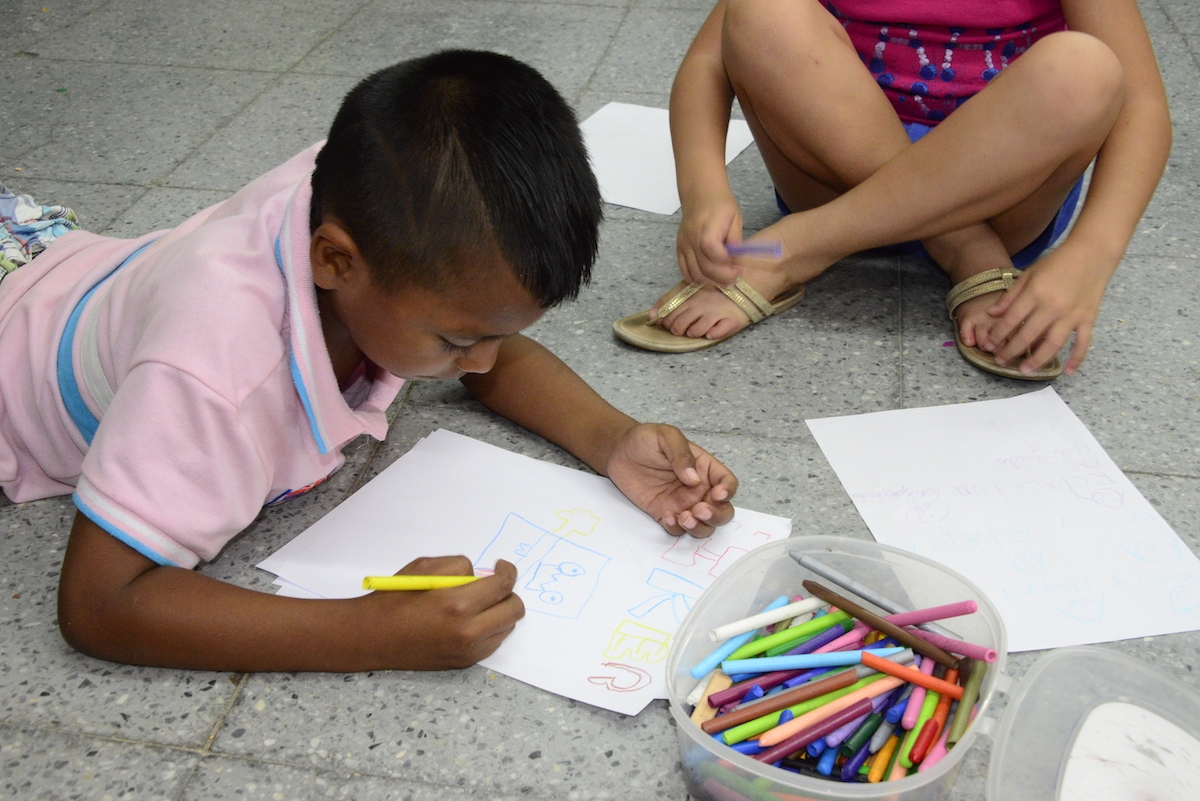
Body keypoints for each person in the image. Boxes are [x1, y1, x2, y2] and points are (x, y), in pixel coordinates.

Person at [0, 50, 737, 673]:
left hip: (62, 260)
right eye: (456, 342)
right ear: (334, 260)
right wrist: (374, 631)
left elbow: (490, 353)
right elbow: (100, 604)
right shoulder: (213, 372)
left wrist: (612, 440)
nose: (484, 359)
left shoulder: (375, 201)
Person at [612, 0, 1170, 380]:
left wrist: (1091, 254)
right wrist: (703, 188)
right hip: (831, 174)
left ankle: (792, 249)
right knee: (761, 11)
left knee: (1088, 69)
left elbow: (1142, 105)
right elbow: (711, 58)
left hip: (1003, 189)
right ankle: (968, 252)